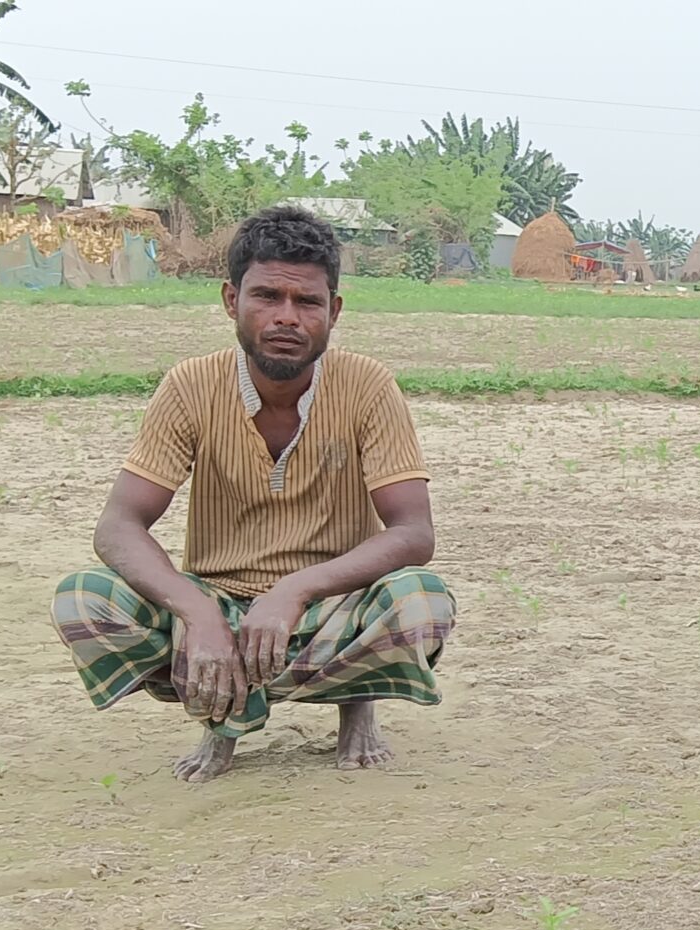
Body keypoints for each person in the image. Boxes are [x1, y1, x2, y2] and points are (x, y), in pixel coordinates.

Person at [50, 206, 454, 782]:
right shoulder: (190, 386)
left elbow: (414, 533)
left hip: (329, 611)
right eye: (266, 296)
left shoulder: (368, 385)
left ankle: (352, 706)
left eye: (307, 302)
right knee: (84, 599)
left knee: (421, 603)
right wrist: (199, 613)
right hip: (215, 607)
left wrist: (294, 592)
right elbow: (118, 527)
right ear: (229, 300)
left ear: (333, 312)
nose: (286, 318)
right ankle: (227, 705)